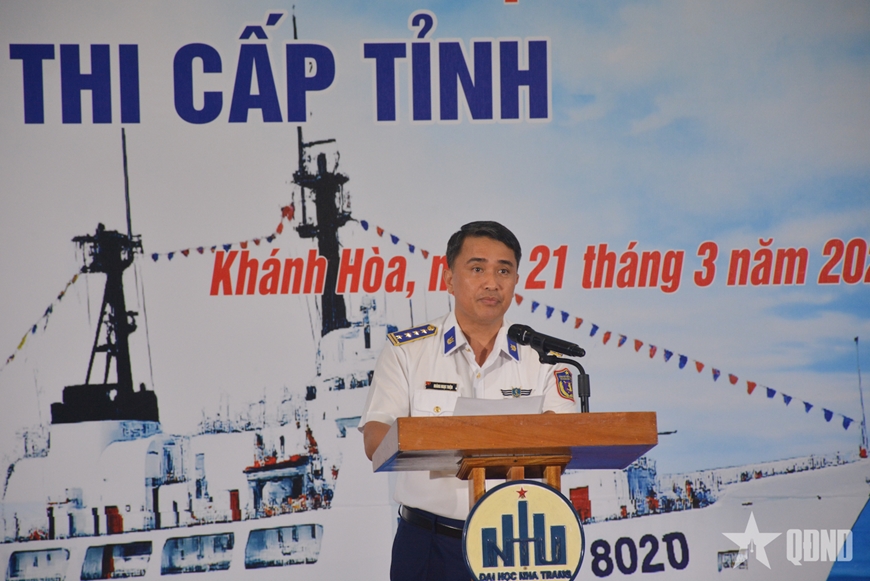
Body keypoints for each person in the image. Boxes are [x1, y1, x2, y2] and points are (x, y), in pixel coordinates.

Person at [360, 221, 576, 581]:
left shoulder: (543, 358)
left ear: (516, 280)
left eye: (503, 271)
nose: (491, 283)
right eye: (477, 269)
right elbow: (375, 439)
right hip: (430, 542)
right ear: (449, 279)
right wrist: (456, 442)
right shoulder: (407, 352)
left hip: (521, 543)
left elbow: (565, 440)